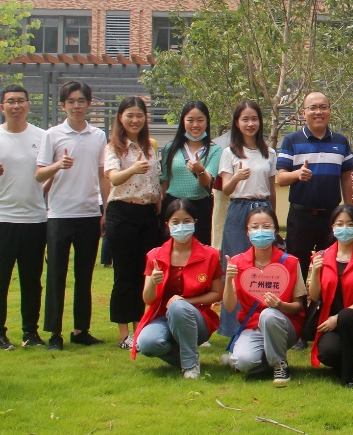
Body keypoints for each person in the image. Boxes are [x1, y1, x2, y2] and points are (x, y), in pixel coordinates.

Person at [36, 80, 109, 351]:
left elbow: (103, 175)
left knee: (84, 275)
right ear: (63, 105)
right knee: (56, 275)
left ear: (89, 104)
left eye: (81, 101)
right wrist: (58, 165)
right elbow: (39, 174)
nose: (76, 106)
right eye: (71, 102)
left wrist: (105, 209)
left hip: (89, 212)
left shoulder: (98, 135)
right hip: (59, 214)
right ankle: (54, 332)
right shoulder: (52, 135)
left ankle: (81, 330)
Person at [0, 85, 48, 350]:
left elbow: (48, 171)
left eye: (21, 101)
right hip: (2, 219)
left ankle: (31, 333)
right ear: (2, 107)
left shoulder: (42, 136)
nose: (16, 106)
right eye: (11, 102)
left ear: (28, 105)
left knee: (32, 282)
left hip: (35, 220)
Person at [276, 92, 353, 294]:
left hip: (331, 217)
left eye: (323, 107)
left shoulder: (341, 141)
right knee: (297, 267)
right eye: (313, 108)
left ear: (330, 111)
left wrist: (349, 209)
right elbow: (280, 178)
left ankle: (325, 309)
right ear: (304, 113)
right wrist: (297, 174)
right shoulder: (291, 140)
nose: (318, 112)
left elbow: (346, 178)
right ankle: (297, 309)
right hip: (301, 216)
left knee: (330, 268)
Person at [132, 199, 223, 379]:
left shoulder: (211, 255)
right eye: (176, 222)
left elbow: (217, 293)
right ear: (167, 224)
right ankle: (186, 356)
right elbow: (148, 299)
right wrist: (153, 282)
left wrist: (187, 302)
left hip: (197, 318)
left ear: (195, 222)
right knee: (147, 344)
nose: (181, 226)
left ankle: (190, 365)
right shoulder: (155, 256)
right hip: (163, 318)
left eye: (186, 221)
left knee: (177, 307)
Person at [221, 204, 306, 385]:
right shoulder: (237, 263)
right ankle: (266, 361)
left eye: (266, 226)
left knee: (268, 315)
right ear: (247, 232)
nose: (260, 231)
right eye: (255, 227)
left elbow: (298, 306)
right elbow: (229, 306)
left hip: (283, 326)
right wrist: (228, 280)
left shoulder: (291, 262)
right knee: (243, 362)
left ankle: (280, 365)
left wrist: (280, 305)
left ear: (275, 231)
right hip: (252, 327)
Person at [102, 96, 162, 350]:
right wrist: (133, 169)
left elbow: (155, 182)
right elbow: (114, 178)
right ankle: (123, 333)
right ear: (120, 118)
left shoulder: (150, 146)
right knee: (124, 274)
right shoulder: (114, 148)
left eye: (139, 115)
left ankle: (141, 327)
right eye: (130, 115)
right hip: (123, 213)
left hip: (147, 214)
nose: (135, 120)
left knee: (143, 274)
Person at [307, 205, 353, 386]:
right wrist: (315, 272)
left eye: (350, 224)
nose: (344, 228)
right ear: (332, 227)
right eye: (339, 224)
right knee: (328, 352)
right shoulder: (321, 256)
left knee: (348, 316)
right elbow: (315, 296)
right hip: (329, 322)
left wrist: (339, 317)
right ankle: (347, 363)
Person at [218, 101, 276, 266]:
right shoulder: (229, 153)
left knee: (263, 259)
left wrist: (273, 216)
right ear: (237, 123)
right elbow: (226, 190)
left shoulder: (270, 153)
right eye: (245, 119)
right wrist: (236, 177)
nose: (250, 124)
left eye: (254, 119)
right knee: (235, 258)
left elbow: (272, 190)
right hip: (239, 209)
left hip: (263, 208)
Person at [160, 101, 222, 246]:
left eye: (200, 120)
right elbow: (165, 181)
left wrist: (200, 170)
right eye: (190, 120)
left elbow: (206, 181)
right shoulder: (171, 148)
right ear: (183, 122)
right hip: (173, 205)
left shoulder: (215, 150)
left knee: (200, 248)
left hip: (200, 207)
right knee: (171, 248)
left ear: (207, 122)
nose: (195, 125)